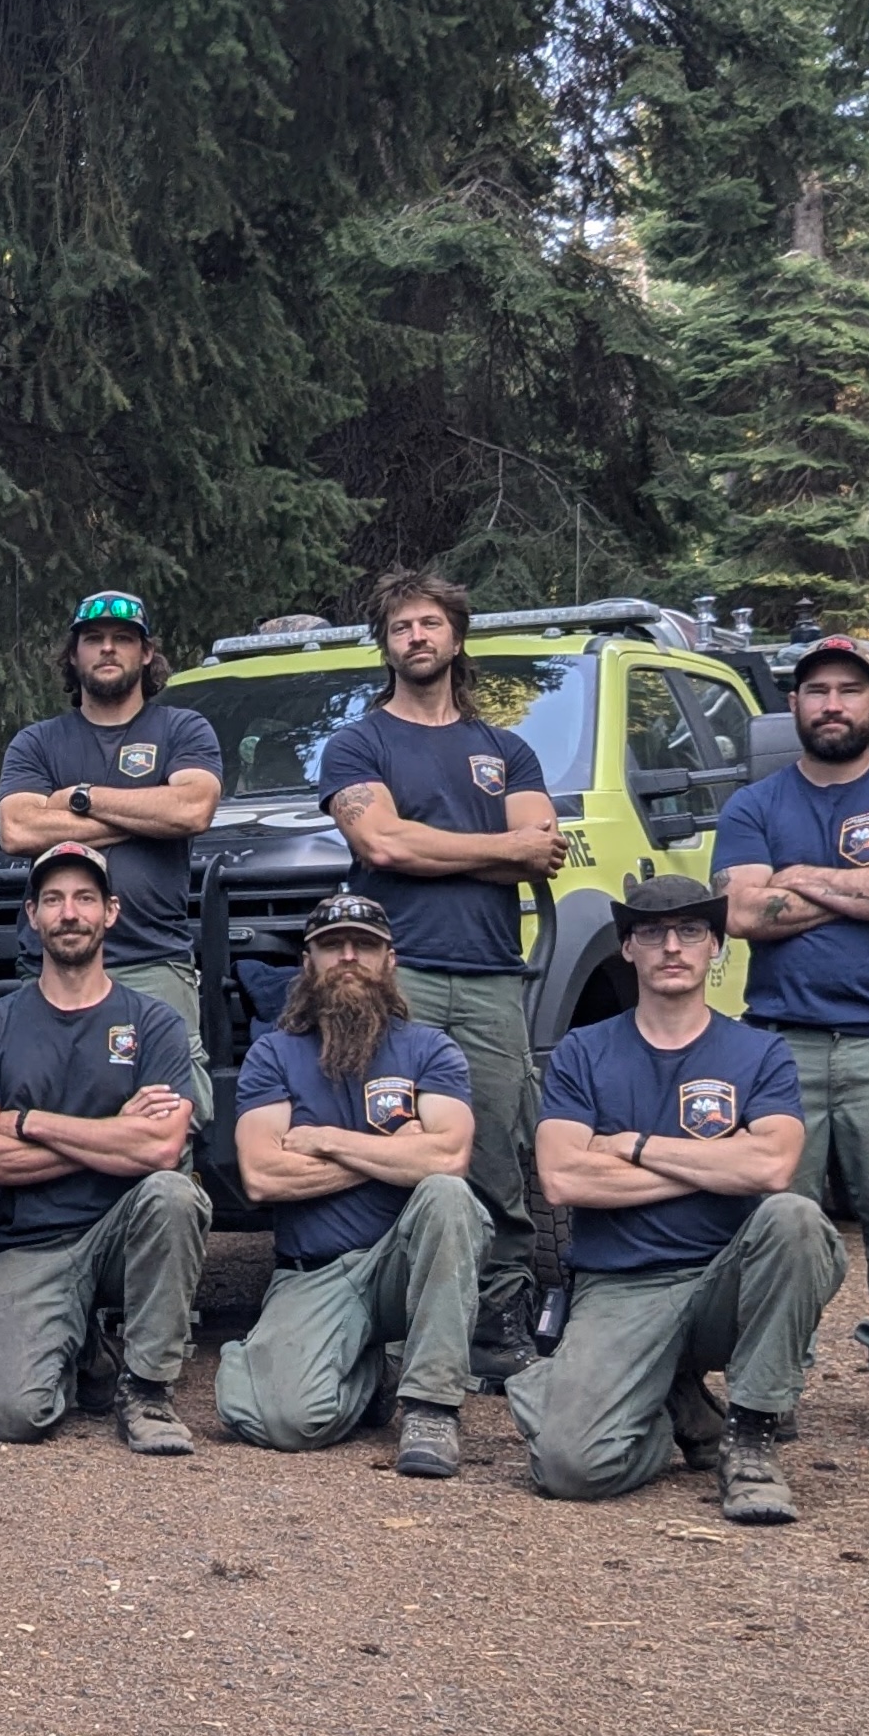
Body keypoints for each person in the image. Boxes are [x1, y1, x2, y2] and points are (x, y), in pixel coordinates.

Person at [508, 877, 842, 1523]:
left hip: (727, 1278)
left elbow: (773, 1164)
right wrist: (719, 1164)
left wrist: (631, 1145)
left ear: (715, 945)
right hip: (620, 1284)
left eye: (691, 931)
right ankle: (670, 1405)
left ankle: (748, 1436)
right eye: (652, 933)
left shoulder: (758, 1051)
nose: (671, 946)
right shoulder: (584, 1050)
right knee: (570, 1467)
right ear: (627, 948)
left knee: (796, 1220)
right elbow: (562, 1179)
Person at [315, 569, 568, 1386]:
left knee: (497, 1150)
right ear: (385, 645)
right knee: (398, 1144)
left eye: (430, 623)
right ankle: (400, 1326)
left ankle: (499, 1320)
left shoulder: (506, 749)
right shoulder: (359, 744)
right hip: (398, 979)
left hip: (494, 976)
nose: (416, 637)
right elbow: (383, 846)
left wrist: (431, 843)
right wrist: (494, 852)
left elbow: (544, 845)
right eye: (400, 627)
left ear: (457, 637)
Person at [711, 635, 869, 1454]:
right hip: (779, 1043)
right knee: (780, 1219)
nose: (831, 704)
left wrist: (794, 876)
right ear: (795, 705)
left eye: (848, 690)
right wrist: (861, 886)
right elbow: (743, 915)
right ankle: (773, 1385)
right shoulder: (754, 805)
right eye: (815, 690)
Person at [0, 844, 207, 1455]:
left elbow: (162, 1149)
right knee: (12, 1415)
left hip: (123, 1231)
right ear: (32, 915)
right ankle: (77, 1347)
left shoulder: (156, 1022)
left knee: (172, 1194)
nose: (70, 913)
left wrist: (29, 1121)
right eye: (53, 900)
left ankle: (147, 1390)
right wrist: (114, 1132)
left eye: (85, 898)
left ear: (111, 912)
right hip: (31, 1241)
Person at [213, 892, 489, 1477]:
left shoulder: (430, 1048)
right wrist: (396, 1150)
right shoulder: (273, 1055)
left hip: (403, 1263)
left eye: (364, 946)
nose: (347, 958)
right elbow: (262, 1176)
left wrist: (328, 1140)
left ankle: (431, 1406)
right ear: (307, 962)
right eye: (330, 947)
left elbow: (449, 1159)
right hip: (316, 1271)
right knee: (280, 1421)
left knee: (445, 1197)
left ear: (389, 960)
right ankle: (374, 1371)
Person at [0, 592, 224, 1121]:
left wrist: (80, 797)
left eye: (123, 639)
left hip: (155, 963)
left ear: (146, 654)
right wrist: (144, 817)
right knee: (47, 1114)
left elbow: (191, 809)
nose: (107, 649)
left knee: (173, 1122)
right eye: (93, 639)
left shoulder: (182, 730)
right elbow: (17, 827)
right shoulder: (36, 743)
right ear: (73, 656)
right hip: (53, 966)